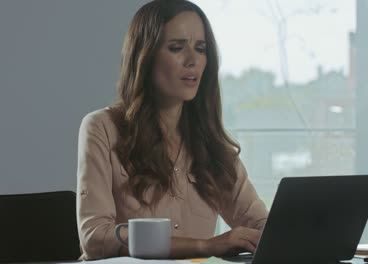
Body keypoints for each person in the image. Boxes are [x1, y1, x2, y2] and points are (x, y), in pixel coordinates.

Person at [76, 0, 268, 260]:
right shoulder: (102, 128)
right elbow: (95, 238)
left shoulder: (211, 143)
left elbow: (259, 224)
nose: (193, 61)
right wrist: (205, 246)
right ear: (145, 56)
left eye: (201, 49)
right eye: (177, 48)